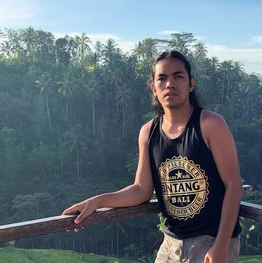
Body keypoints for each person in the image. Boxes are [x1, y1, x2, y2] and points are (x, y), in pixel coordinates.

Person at [62, 50, 243, 263]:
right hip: (171, 242)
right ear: (153, 88)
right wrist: (98, 201)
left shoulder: (210, 124)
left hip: (211, 240)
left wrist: (221, 246)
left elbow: (233, 185)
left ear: (191, 84)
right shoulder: (149, 133)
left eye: (178, 76)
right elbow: (141, 190)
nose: (170, 84)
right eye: (162, 78)